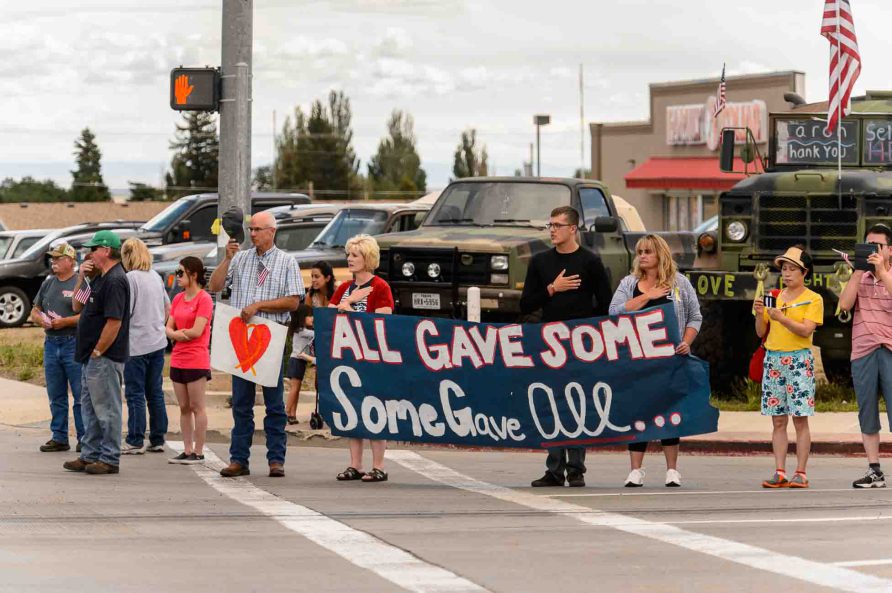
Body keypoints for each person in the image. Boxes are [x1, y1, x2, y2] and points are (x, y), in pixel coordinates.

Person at [519, 206, 611, 488]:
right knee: (552, 403)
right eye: (550, 225)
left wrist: (588, 331)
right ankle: (554, 469)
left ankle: (577, 468)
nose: (553, 230)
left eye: (558, 225)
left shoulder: (590, 262)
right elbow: (526, 305)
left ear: (573, 228)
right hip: (549, 341)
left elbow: (605, 303)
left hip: (581, 342)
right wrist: (552, 289)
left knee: (577, 403)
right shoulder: (540, 262)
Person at [208, 211, 303, 478]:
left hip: (270, 337)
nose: (252, 234)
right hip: (242, 338)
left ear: (271, 231)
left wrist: (260, 305)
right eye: (250, 229)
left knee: (273, 404)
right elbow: (214, 286)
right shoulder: (240, 259)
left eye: (257, 229)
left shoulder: (286, 262)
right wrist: (226, 259)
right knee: (241, 403)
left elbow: (294, 301)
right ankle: (239, 458)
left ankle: (276, 459)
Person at [608, 234, 702, 488]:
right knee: (639, 412)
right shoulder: (629, 283)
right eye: (640, 252)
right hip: (639, 360)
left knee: (669, 413)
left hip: (671, 359)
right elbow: (614, 311)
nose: (643, 256)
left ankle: (672, 470)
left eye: (648, 251)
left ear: (660, 254)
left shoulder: (680, 283)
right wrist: (647, 296)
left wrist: (687, 341)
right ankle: (635, 470)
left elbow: (695, 316)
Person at [753, 246, 823, 489]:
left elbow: (806, 330)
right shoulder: (774, 295)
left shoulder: (814, 298)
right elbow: (761, 332)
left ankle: (801, 472)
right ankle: (780, 471)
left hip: (798, 360)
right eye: (784, 268)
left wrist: (781, 317)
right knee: (778, 420)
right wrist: (759, 313)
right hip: (773, 359)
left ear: (804, 272)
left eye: (792, 268)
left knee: (800, 419)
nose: (787, 273)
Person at [63, 230, 131, 475]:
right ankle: (90, 454)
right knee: (90, 408)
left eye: (93, 249)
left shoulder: (115, 280)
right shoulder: (100, 277)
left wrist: (99, 349)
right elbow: (76, 305)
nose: (89, 253)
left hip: (104, 356)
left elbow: (114, 321)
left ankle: (110, 458)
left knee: (107, 409)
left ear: (105, 251)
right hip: (89, 355)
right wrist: (82, 277)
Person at [330, 234, 395, 483]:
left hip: (373, 360)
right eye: (349, 254)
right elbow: (328, 316)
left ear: (367, 258)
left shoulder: (380, 287)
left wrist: (350, 306)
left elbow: (383, 321)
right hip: (348, 359)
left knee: (374, 410)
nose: (350, 259)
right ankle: (354, 464)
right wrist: (349, 301)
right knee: (352, 409)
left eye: (355, 255)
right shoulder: (345, 288)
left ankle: (378, 465)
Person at [838, 224, 892, 488]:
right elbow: (845, 304)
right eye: (868, 245)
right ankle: (874, 471)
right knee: (867, 412)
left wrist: (882, 272)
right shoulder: (858, 275)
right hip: (863, 351)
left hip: (890, 349)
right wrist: (859, 270)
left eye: (878, 246)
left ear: (889, 250)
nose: (873, 250)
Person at [31, 242, 84, 453]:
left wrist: (66, 322)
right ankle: (59, 437)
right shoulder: (48, 283)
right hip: (51, 344)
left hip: (72, 342)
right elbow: (35, 309)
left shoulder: (79, 283)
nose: (53, 261)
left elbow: (86, 315)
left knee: (80, 395)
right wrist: (40, 320)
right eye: (52, 258)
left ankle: (84, 437)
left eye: (58, 258)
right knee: (56, 394)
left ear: (70, 261)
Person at [120, 238, 170, 455]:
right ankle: (158, 438)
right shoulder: (155, 276)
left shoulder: (130, 279)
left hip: (136, 344)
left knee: (135, 393)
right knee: (155, 392)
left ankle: (135, 439)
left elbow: (125, 312)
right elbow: (167, 307)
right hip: (157, 341)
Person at [166, 256, 214, 465]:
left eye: (180, 273)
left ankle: (199, 450)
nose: (177, 277)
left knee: (197, 405)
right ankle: (186, 449)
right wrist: (177, 335)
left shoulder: (204, 299)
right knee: (183, 406)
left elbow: (197, 331)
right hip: (178, 358)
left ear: (193, 275)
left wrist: (177, 333)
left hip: (196, 358)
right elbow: (168, 327)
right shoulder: (177, 299)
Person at [285, 261, 334, 424]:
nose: (313, 280)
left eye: (317, 276)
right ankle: (313, 411)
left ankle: (324, 409)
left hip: (331, 337)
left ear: (327, 278)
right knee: (310, 376)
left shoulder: (335, 295)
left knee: (324, 377)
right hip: (313, 338)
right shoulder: (310, 296)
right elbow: (303, 318)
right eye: (312, 276)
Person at [285, 304, 316, 425]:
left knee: (297, 389)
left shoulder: (303, 330)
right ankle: (287, 411)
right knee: (295, 388)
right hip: (296, 361)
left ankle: (293, 414)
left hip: (300, 361)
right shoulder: (301, 331)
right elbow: (316, 334)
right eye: (309, 316)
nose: (312, 318)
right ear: (302, 317)